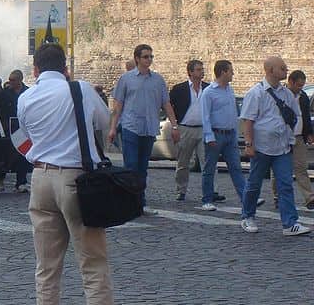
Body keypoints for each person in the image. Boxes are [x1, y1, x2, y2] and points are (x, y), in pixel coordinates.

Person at [18, 44, 128, 305]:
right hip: (76, 180)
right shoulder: (78, 89)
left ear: (35, 70)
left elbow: (22, 137)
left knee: (46, 269)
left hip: (40, 179)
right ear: (65, 67)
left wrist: (37, 155)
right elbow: (104, 120)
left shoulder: (26, 97)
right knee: (93, 266)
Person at [240, 56, 310, 236]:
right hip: (262, 148)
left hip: (283, 148)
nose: (286, 71)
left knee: (285, 184)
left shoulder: (287, 94)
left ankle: (290, 223)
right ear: (270, 70)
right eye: (282, 68)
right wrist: (249, 144)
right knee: (254, 184)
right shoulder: (256, 93)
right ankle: (247, 216)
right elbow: (248, 120)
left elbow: (295, 116)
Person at [107, 44, 179, 214]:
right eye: (146, 57)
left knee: (142, 168)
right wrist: (112, 128)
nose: (149, 60)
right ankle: (130, 203)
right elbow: (118, 105)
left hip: (149, 128)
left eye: (151, 57)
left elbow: (166, 103)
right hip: (131, 127)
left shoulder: (158, 80)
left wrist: (174, 125)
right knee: (131, 166)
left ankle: (139, 203)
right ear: (137, 59)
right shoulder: (126, 79)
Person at [199, 60, 260, 211]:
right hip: (216, 134)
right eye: (231, 71)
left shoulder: (229, 90)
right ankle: (207, 199)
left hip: (230, 134)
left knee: (236, 167)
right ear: (223, 72)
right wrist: (209, 136)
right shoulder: (209, 92)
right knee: (209, 168)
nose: (233, 74)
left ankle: (246, 197)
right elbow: (205, 116)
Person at [270, 70, 314, 209]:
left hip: (299, 137)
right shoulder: (281, 95)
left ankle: (309, 198)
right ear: (291, 82)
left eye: (303, 85)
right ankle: (277, 196)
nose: (301, 88)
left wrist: (309, 133)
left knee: (301, 168)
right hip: (282, 137)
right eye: (299, 85)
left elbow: (305, 115)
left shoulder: (303, 97)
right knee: (279, 170)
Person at [169, 60, 208, 202]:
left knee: (207, 162)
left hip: (204, 129)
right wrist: (174, 125)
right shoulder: (179, 89)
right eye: (198, 69)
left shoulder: (208, 88)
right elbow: (167, 105)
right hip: (185, 128)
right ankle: (181, 190)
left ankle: (210, 191)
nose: (201, 72)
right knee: (183, 163)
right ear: (190, 72)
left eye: (202, 69)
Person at [1, 69, 30, 193]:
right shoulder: (4, 94)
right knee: (4, 154)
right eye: (9, 79)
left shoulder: (28, 92)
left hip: (22, 129)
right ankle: (0, 179)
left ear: (20, 80)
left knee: (21, 154)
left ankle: (21, 181)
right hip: (7, 128)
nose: (10, 82)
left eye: (13, 80)